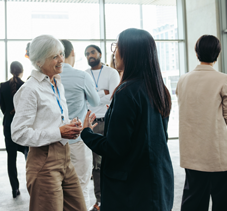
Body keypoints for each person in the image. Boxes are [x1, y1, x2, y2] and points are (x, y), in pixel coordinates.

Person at [81, 28, 174, 211]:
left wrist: (87, 133)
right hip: (158, 181)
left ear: (130, 52)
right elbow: (159, 137)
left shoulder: (126, 92)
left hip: (132, 188)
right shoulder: (159, 88)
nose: (114, 52)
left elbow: (114, 148)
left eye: (117, 46)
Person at [11, 35, 86, 211]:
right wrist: (59, 132)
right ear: (39, 61)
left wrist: (71, 125)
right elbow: (18, 133)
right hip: (44, 161)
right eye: (55, 57)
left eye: (61, 54)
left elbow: (52, 120)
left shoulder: (57, 83)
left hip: (65, 157)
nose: (62, 60)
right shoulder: (30, 89)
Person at [178, 35, 227, 211]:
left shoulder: (183, 80)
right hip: (219, 153)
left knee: (193, 201)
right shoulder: (224, 79)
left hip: (192, 153)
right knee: (224, 203)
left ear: (197, 53)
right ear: (217, 54)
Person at [59, 39, 100, 208]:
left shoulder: (50, 77)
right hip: (77, 140)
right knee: (81, 184)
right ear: (73, 52)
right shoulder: (82, 76)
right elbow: (95, 101)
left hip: (56, 140)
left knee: (59, 187)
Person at [84, 44, 120, 211]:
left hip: (108, 122)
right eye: (87, 54)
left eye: (92, 52)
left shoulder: (111, 72)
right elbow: (83, 100)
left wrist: (94, 96)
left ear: (99, 53)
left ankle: (113, 198)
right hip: (91, 124)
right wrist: (102, 93)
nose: (90, 55)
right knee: (96, 167)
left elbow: (113, 96)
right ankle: (100, 202)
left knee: (112, 162)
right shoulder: (84, 75)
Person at [0, 61, 28, 198]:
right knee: (29, 157)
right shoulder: (26, 86)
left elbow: (3, 108)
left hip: (9, 125)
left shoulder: (3, 86)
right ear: (22, 70)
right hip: (23, 125)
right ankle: (32, 185)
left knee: (11, 159)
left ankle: (14, 189)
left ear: (11, 71)